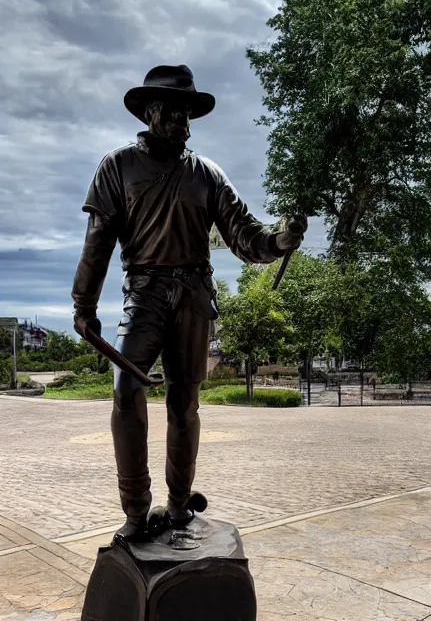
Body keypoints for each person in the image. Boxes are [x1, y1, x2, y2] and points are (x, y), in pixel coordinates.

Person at [71, 64, 306, 540]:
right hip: (144, 295)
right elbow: (98, 241)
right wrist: (84, 303)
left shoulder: (207, 174)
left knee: (185, 404)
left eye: (188, 114)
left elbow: (245, 234)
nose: (183, 121)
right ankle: (136, 510)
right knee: (125, 391)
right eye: (174, 112)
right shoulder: (117, 167)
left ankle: (179, 505)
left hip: (195, 298)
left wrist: (279, 241)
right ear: (150, 112)